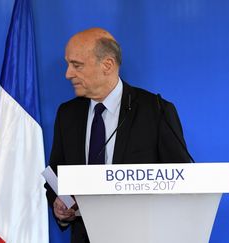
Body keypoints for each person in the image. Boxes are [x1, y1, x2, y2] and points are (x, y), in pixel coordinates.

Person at [44, 27, 192, 243]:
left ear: (107, 65)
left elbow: (181, 181)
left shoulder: (156, 110)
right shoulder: (67, 114)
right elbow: (56, 175)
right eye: (68, 64)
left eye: (76, 65)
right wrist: (59, 206)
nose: (68, 74)